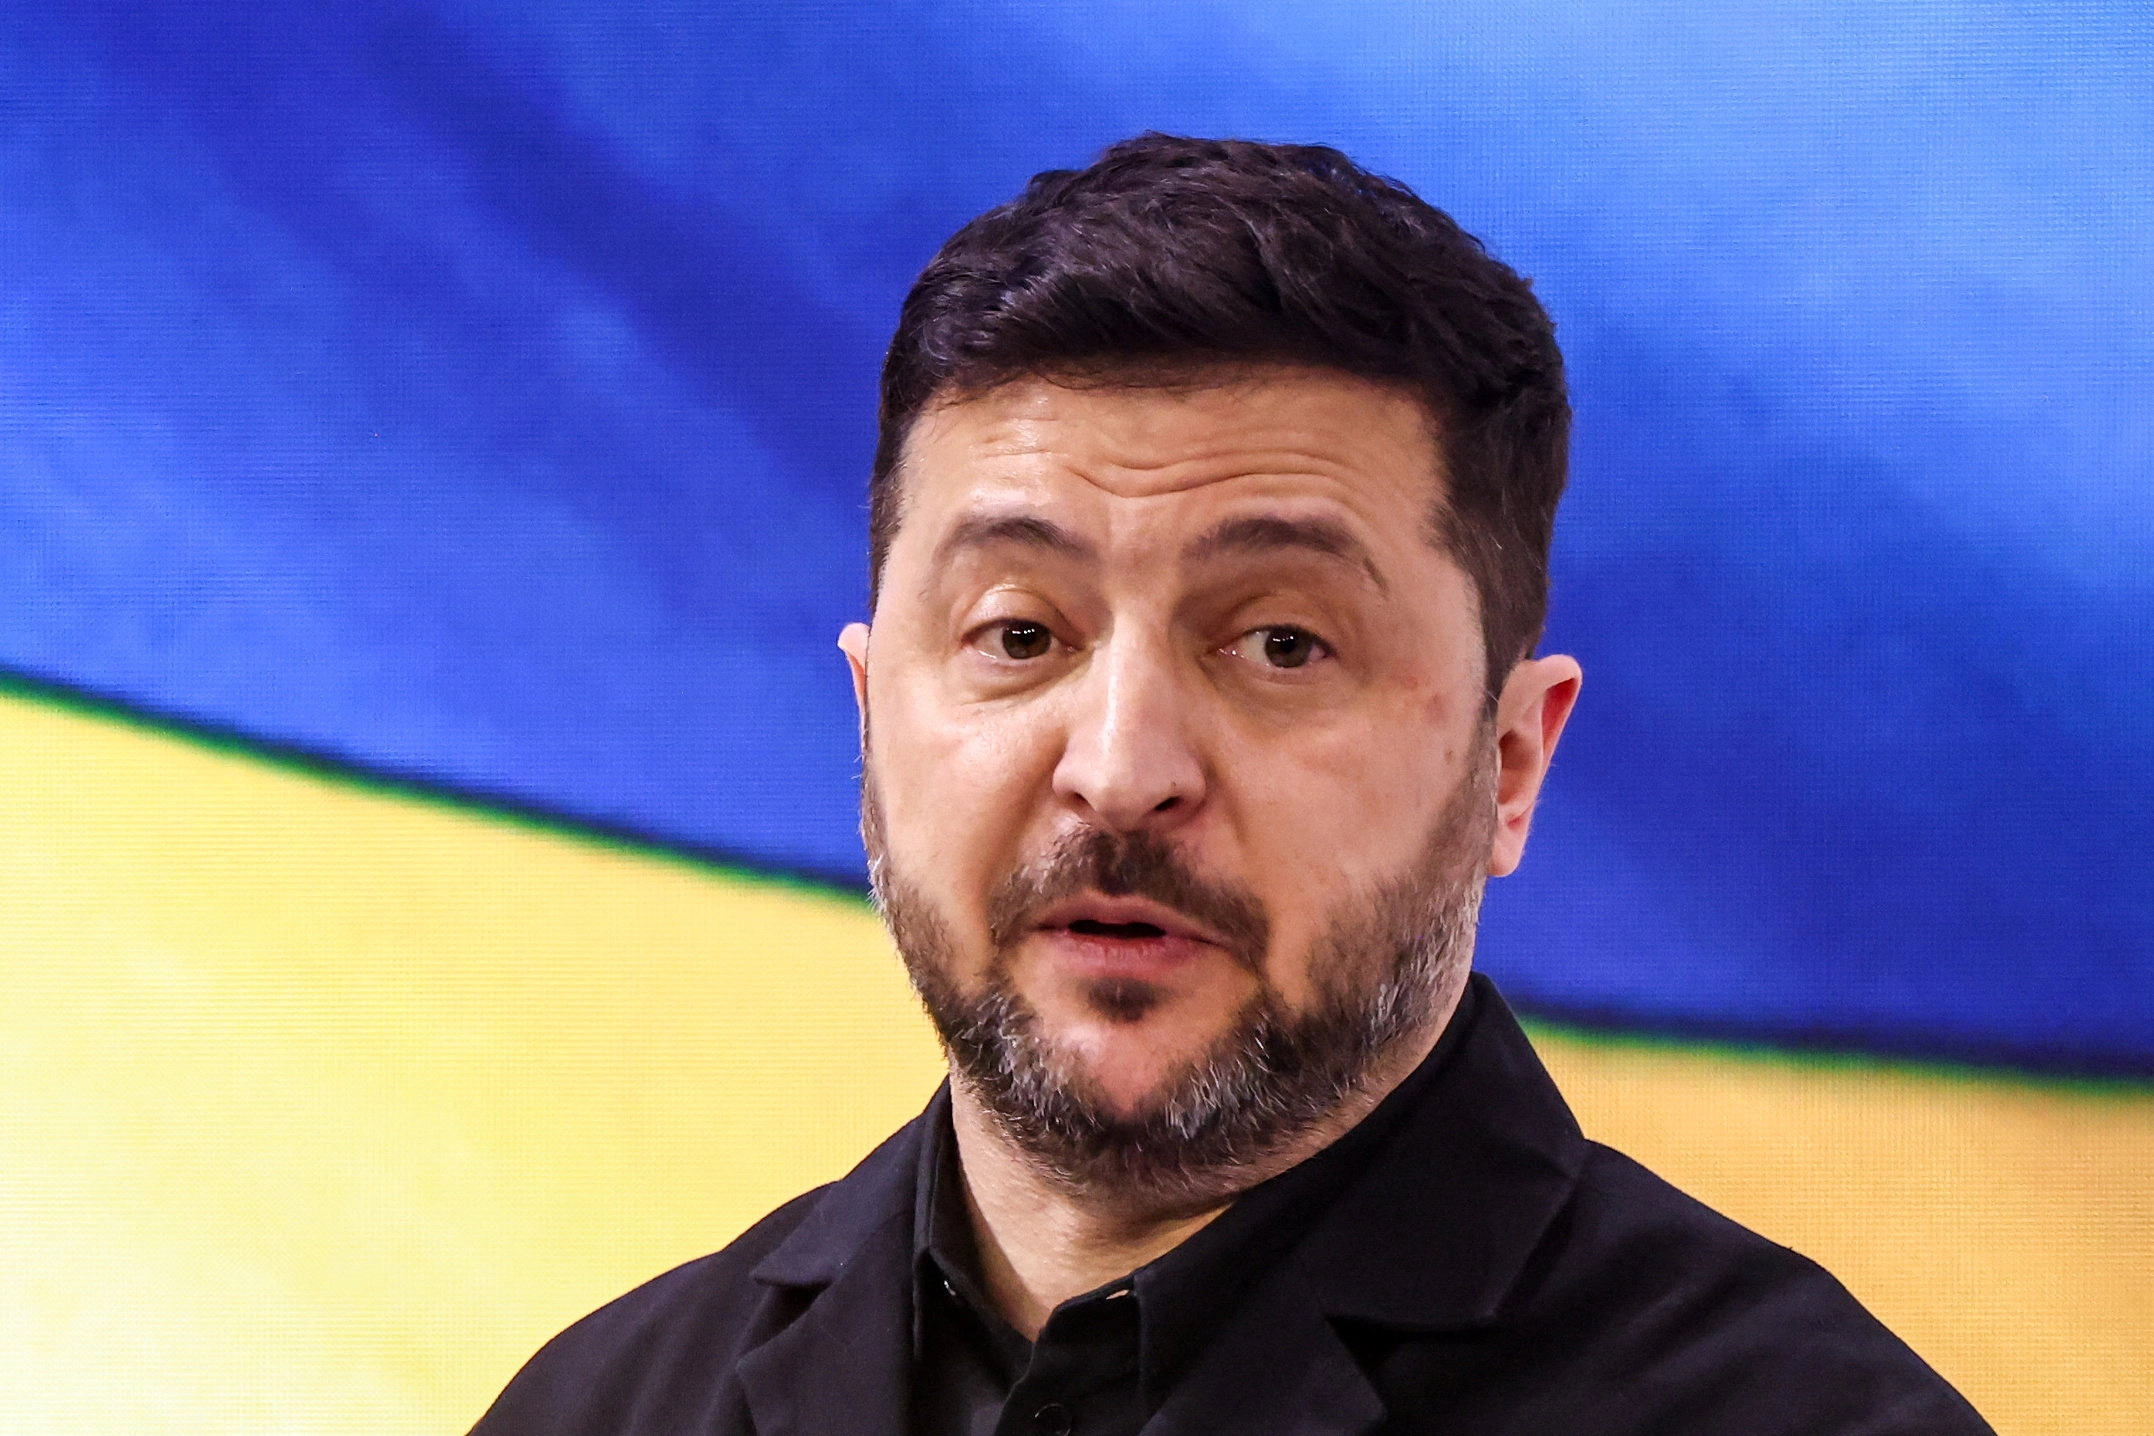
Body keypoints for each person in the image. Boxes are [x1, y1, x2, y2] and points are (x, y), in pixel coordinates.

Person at [471, 134, 1991, 1435]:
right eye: (1020, 635)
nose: (1120, 773)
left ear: (1509, 764)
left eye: (1280, 644)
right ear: (871, 721)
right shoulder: (605, 1407)